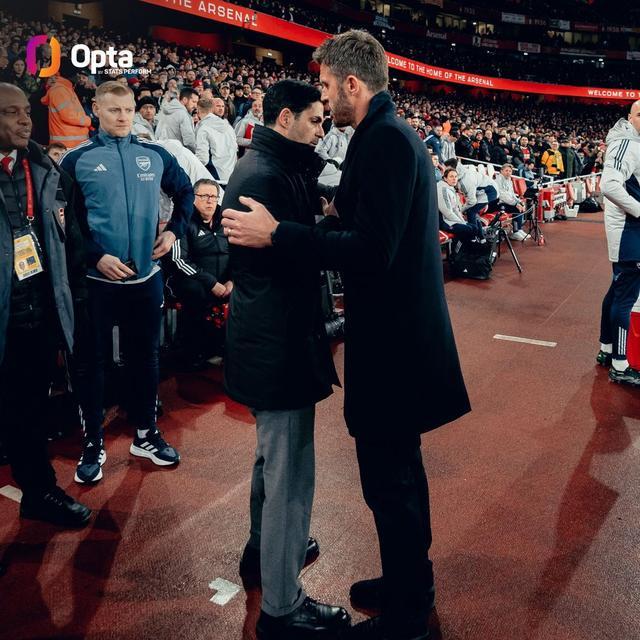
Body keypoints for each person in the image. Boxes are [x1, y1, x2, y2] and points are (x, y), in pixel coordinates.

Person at [222, 31, 470, 640]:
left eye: (329, 86)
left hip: (395, 347)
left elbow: (370, 250)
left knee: (392, 483)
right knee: (396, 477)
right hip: (397, 339)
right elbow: (368, 231)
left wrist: (281, 233)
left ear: (353, 83)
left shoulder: (383, 140)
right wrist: (326, 222)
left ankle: (408, 615)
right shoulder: (387, 136)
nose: (325, 98)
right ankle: (407, 583)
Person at [223, 79, 349, 639]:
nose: (322, 129)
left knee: (271, 461)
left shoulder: (276, 166)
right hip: (279, 343)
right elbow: (292, 262)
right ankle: (281, 605)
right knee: (290, 477)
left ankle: (263, 552)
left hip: (270, 339)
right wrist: (318, 231)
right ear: (284, 118)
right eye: (315, 120)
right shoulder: (266, 176)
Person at [61, 81, 193, 484]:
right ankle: (92, 443)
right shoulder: (75, 160)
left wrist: (173, 233)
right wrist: (95, 256)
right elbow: (66, 223)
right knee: (92, 364)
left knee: (146, 358)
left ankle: (146, 434)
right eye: (114, 110)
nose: (123, 117)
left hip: (146, 279)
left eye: (128, 110)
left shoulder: (155, 154)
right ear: (96, 110)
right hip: (96, 282)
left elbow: (186, 192)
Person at [0, 83, 91, 528]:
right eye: (10, 113)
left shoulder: (43, 167)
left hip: (36, 315)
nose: (24, 120)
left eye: (25, 111)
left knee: (31, 410)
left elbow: (70, 240)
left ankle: (38, 491)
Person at [166, 178, 231, 369]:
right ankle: (195, 352)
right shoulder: (182, 222)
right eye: (204, 196)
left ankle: (231, 348)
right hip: (193, 279)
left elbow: (240, 256)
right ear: (193, 198)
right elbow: (179, 260)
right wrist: (212, 283)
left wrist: (232, 281)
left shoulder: (227, 222)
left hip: (225, 281)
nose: (210, 201)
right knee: (196, 292)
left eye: (213, 196)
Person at [597, 100, 640, 386]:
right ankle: (620, 365)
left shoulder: (631, 142)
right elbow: (608, 185)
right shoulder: (626, 142)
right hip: (629, 233)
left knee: (616, 292)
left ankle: (607, 349)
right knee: (625, 298)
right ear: (630, 117)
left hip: (628, 231)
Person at [41, 59, 91, 149]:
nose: (79, 76)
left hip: (72, 144)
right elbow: (69, 116)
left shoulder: (66, 88)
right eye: (77, 73)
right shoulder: (60, 90)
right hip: (67, 146)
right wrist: (89, 120)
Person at [195, 97, 238, 182]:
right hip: (231, 175)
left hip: (214, 175)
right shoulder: (229, 127)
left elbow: (203, 158)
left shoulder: (203, 128)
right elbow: (235, 150)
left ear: (198, 111)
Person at [437, 167, 483, 241]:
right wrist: (461, 223)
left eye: (456, 176)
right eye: (451, 176)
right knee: (469, 229)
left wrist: (462, 222)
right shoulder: (442, 189)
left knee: (474, 227)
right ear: (445, 178)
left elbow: (456, 209)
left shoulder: (450, 189)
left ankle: (470, 246)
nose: (454, 179)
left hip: (451, 220)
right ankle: (463, 247)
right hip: (444, 222)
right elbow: (447, 212)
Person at [155, 87, 198, 152]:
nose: (195, 106)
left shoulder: (164, 112)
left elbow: (157, 135)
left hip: (162, 152)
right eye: (194, 102)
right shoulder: (183, 114)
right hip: (177, 153)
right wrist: (196, 152)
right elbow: (189, 141)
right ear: (184, 100)